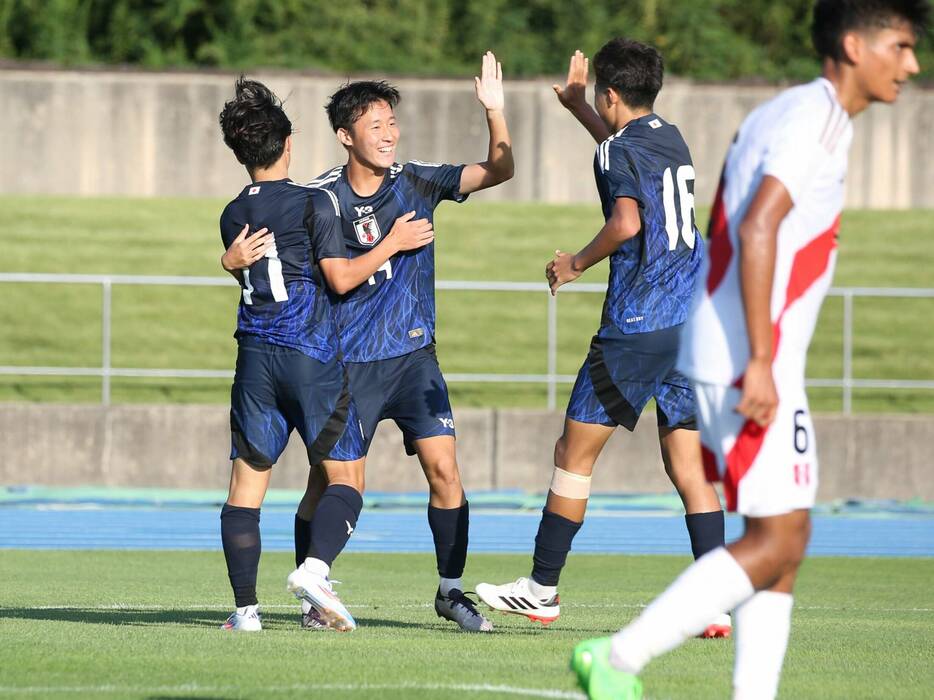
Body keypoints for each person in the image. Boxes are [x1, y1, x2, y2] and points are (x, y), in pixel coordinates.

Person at [570, 1, 927, 698]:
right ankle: (619, 655)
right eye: (903, 46)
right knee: (778, 540)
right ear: (855, 46)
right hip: (744, 354)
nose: (912, 65)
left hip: (743, 347)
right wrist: (760, 359)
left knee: (783, 542)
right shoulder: (814, 120)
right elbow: (759, 228)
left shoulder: (792, 112)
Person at [223, 52, 514, 632]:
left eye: (391, 123)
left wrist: (495, 112)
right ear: (345, 136)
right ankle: (313, 590)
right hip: (348, 362)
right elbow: (277, 255)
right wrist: (228, 262)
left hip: (413, 357)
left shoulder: (418, 180)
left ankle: (451, 591)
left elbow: (498, 170)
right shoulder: (321, 197)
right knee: (324, 484)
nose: (389, 134)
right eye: (375, 125)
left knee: (445, 470)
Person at [475, 39, 728, 637]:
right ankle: (715, 601)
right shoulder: (670, 134)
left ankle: (540, 589)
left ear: (610, 93)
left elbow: (626, 221)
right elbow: (626, 154)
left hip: (638, 325)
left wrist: (575, 263)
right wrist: (577, 108)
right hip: (692, 325)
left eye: (598, 99)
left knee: (573, 454)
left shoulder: (618, 151)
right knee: (687, 462)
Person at [217, 77, 432, 632]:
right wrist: (391, 244)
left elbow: (248, 262)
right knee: (347, 479)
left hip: (254, 360)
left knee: (246, 486)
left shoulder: (230, 214)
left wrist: (225, 261)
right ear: (289, 145)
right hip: (309, 357)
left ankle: (245, 613)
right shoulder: (315, 203)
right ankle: (315, 571)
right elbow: (340, 278)